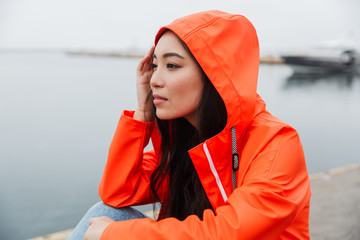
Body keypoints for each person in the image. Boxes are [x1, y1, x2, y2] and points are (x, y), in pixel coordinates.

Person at [68, 10, 311, 240]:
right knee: (106, 213)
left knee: (109, 228)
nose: (154, 80)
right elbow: (118, 193)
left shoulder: (277, 143)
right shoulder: (184, 141)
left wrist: (115, 235)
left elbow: (232, 233)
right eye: (154, 66)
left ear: (215, 75)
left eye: (171, 66)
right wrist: (143, 113)